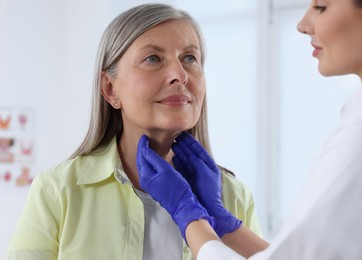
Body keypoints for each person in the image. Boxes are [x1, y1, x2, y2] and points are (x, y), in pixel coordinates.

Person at [137, 0, 362, 259]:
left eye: (321, 6)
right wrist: (223, 224)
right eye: (153, 58)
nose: (302, 25)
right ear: (110, 89)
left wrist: (188, 216)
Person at [7, 3, 262, 260]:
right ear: (110, 89)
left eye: (189, 58)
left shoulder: (235, 198)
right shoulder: (57, 191)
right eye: (153, 58)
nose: (179, 75)